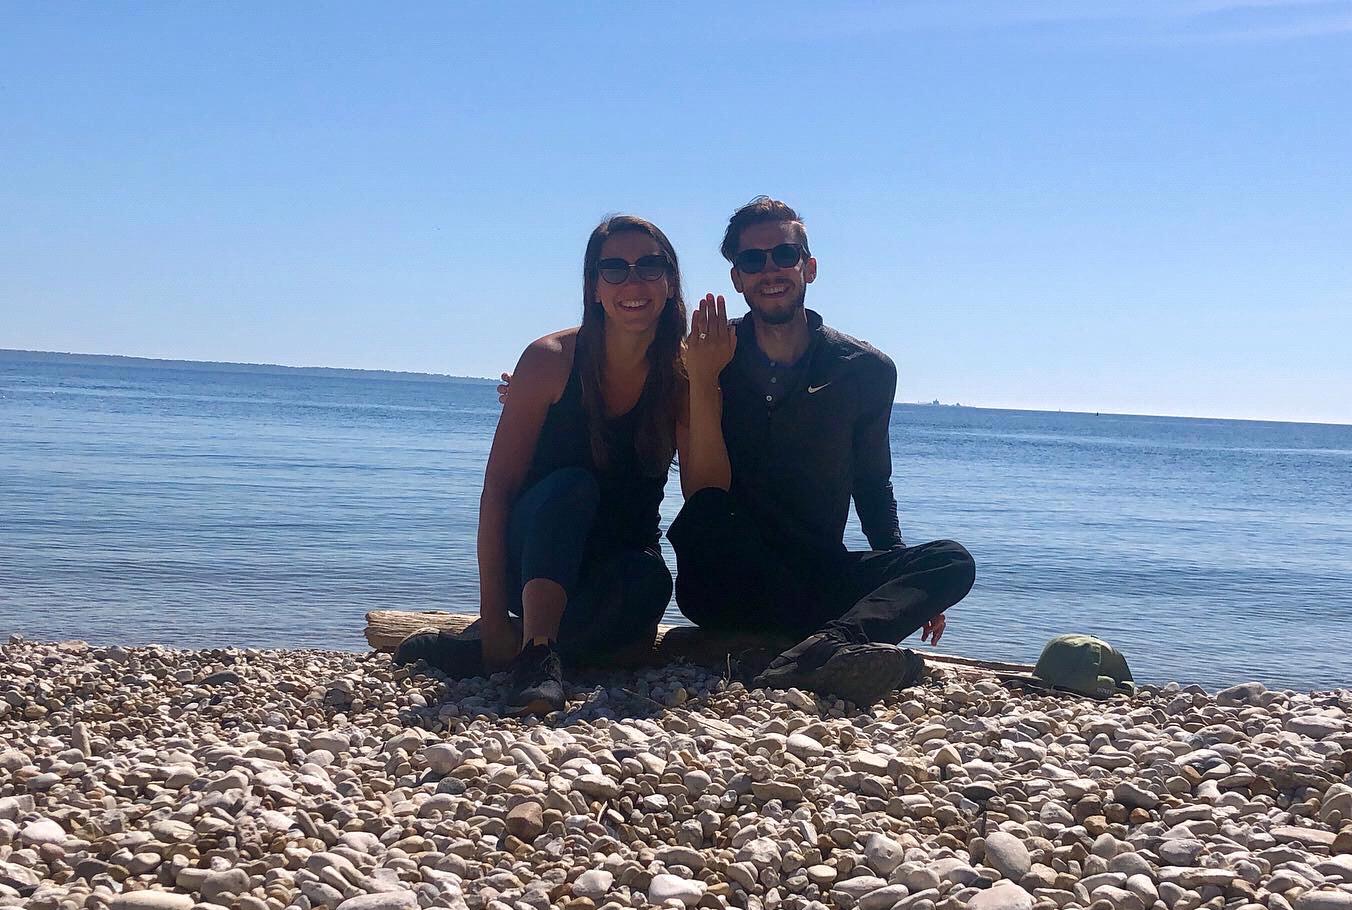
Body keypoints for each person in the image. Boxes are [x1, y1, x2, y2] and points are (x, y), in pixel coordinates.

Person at [673, 196, 976, 705]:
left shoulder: (864, 370)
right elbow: (639, 421)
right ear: (737, 278)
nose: (771, 270)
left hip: (814, 575)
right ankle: (826, 649)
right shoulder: (705, 355)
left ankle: (824, 649)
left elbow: (873, 483)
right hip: (722, 579)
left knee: (952, 561)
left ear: (808, 267)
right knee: (706, 512)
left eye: (784, 255)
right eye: (753, 260)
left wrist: (901, 574)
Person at [395, 215, 682, 715]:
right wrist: (492, 610)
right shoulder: (551, 360)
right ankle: (537, 653)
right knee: (572, 487)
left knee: (650, 582)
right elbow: (499, 490)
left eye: (649, 266)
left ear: (670, 280)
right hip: (533, 552)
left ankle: (487, 651)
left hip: (612, 562)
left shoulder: (683, 370)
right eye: (613, 268)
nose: (632, 281)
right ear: (593, 286)